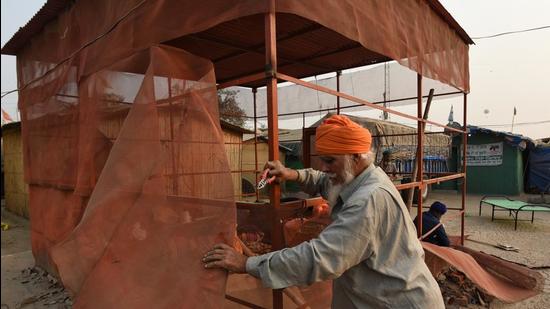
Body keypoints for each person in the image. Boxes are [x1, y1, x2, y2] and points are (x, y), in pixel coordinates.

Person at [203, 115, 444, 308]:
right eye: (322, 160)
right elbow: (324, 180)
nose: (325, 168)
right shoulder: (359, 175)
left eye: (330, 161)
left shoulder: (368, 200)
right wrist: (292, 174)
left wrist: (248, 263)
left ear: (356, 157)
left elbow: (318, 258)